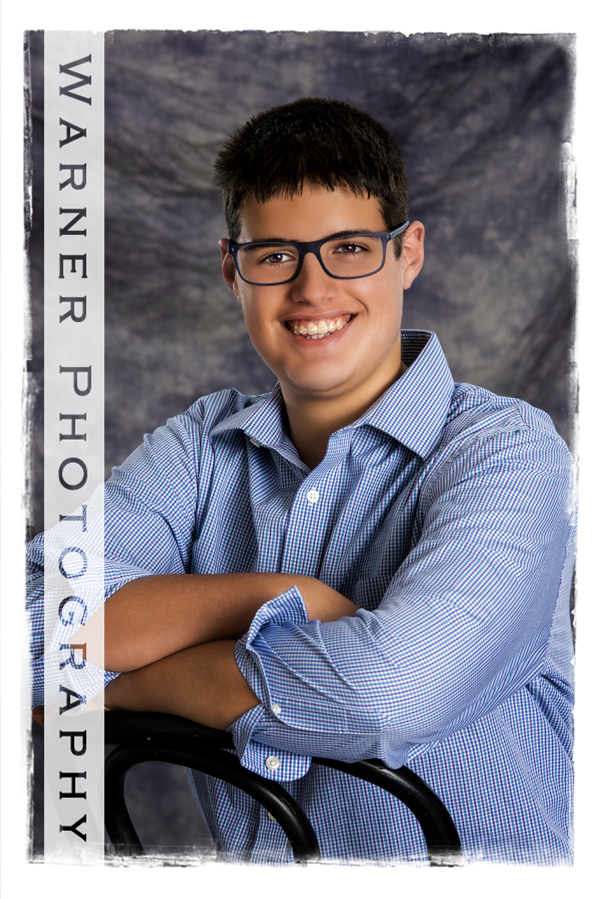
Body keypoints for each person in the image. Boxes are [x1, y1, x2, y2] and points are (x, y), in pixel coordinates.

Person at [28, 97, 575, 866]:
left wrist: (114, 688)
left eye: (350, 247)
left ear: (408, 253)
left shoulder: (507, 452)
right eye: (276, 254)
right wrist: (268, 595)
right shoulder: (198, 449)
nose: (313, 289)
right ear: (233, 269)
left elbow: (392, 695)